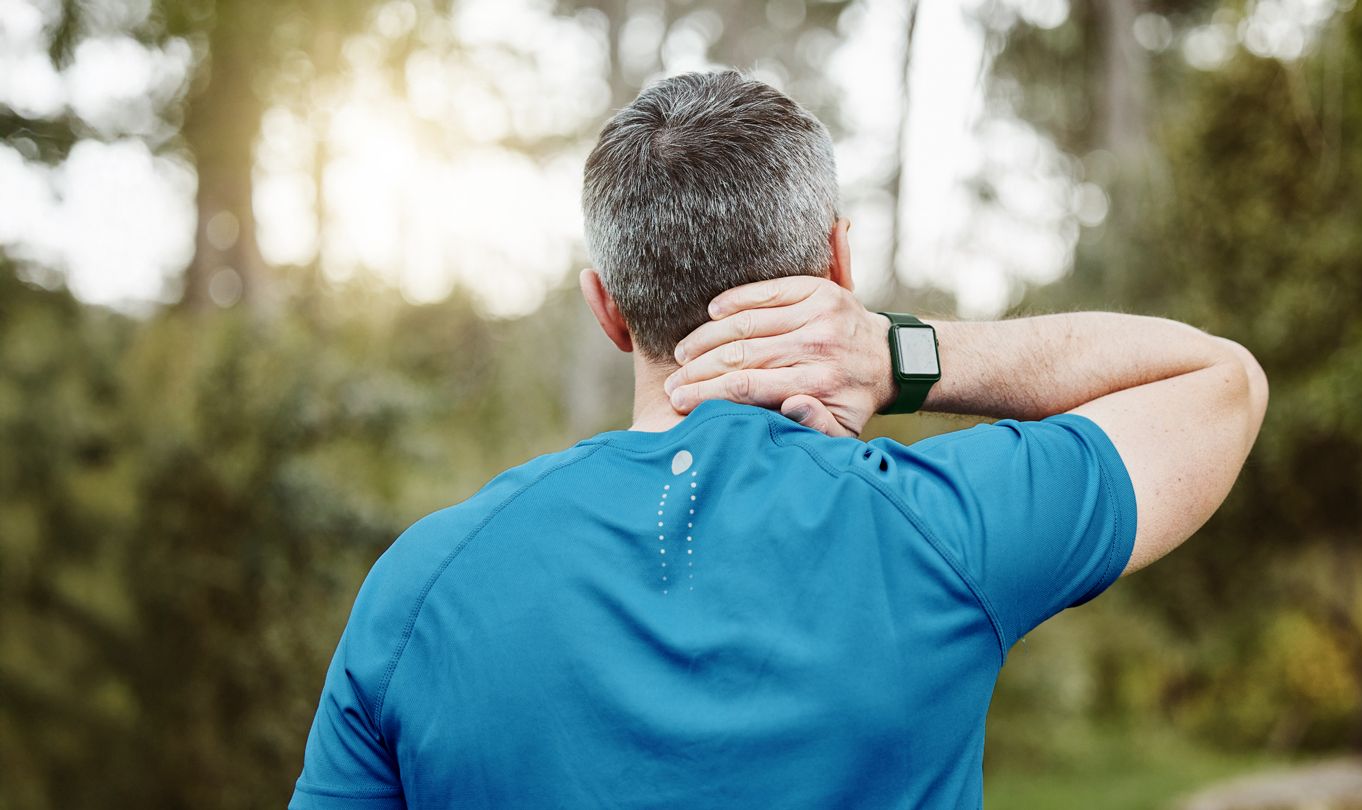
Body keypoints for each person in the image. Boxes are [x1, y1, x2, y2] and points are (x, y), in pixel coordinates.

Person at [289, 70, 1267, 809]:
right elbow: (1220, 386)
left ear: (607, 307)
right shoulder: (938, 529)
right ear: (837, 261)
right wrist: (903, 354)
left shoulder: (417, 591)